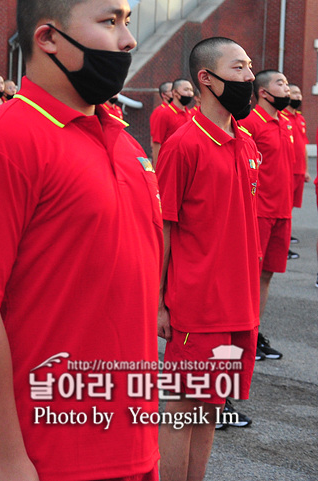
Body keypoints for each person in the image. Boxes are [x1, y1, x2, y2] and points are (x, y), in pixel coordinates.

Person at [0, 0, 162, 481]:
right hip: (46, 456)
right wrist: (4, 456)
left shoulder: (122, 140)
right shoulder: (5, 142)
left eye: (128, 21)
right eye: (110, 22)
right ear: (47, 37)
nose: (128, 40)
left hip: (130, 442)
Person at [156, 37, 261, 481]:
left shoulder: (246, 142)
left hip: (239, 302)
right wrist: (158, 301)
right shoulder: (185, 145)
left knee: (211, 404)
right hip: (196, 304)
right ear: (206, 78)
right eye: (238, 68)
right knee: (182, 405)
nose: (249, 78)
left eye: (250, 67)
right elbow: (162, 226)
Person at [240, 69, 293, 362]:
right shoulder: (251, 123)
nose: (286, 88)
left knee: (267, 275)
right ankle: (245, 336)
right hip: (258, 212)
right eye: (280, 83)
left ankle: (255, 332)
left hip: (281, 212)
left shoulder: (282, 121)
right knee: (250, 276)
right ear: (262, 91)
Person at [151, 78, 195, 165]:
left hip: (186, 162)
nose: (189, 93)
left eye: (191, 90)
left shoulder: (190, 114)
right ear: (175, 92)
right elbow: (156, 142)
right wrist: (156, 168)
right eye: (186, 90)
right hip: (169, 162)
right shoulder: (164, 113)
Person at [287, 84, 308, 259]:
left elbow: (304, 147)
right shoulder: (283, 118)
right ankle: (283, 243)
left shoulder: (299, 119)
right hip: (287, 171)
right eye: (294, 93)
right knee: (283, 206)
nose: (298, 97)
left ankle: (287, 235)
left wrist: (306, 169)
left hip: (299, 171)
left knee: (290, 206)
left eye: (299, 93)